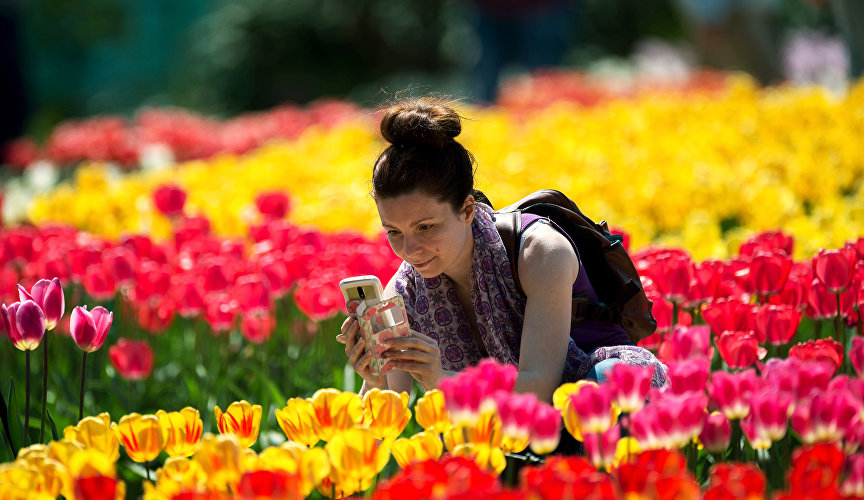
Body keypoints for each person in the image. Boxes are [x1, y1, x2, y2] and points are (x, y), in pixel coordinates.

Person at [338, 97, 666, 403]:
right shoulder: (405, 291)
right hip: (499, 428)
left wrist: (441, 379)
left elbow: (538, 390)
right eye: (394, 232)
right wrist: (376, 380)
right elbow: (387, 416)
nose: (410, 250)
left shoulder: (538, 252)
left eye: (426, 227)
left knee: (616, 380)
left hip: (592, 392)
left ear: (466, 210)